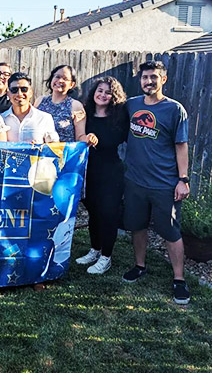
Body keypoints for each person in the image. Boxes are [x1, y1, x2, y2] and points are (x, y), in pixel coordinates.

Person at [122, 61, 190, 305]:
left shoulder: (174, 109)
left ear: (164, 79)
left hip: (164, 184)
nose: (148, 81)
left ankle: (179, 280)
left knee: (170, 231)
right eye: (144, 78)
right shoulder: (131, 105)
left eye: (153, 77)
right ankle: (139, 266)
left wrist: (182, 180)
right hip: (135, 181)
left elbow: (181, 146)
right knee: (137, 226)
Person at [75, 77, 128, 274]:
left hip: (110, 172)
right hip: (89, 170)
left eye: (108, 92)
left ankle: (106, 257)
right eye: (100, 90)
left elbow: (117, 138)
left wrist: (95, 140)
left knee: (108, 214)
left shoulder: (119, 116)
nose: (103, 95)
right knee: (94, 213)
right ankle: (95, 250)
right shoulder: (85, 113)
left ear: (113, 96)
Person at [35, 65, 90, 143]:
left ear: (72, 84)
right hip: (40, 153)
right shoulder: (40, 101)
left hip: (64, 153)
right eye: (57, 77)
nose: (60, 80)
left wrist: (89, 139)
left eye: (65, 79)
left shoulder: (76, 106)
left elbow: (80, 136)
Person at [4, 72, 59, 144]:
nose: (19, 94)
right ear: (8, 94)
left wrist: (40, 148)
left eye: (24, 89)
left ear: (30, 92)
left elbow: (55, 147)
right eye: (14, 90)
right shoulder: (2, 119)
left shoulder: (44, 118)